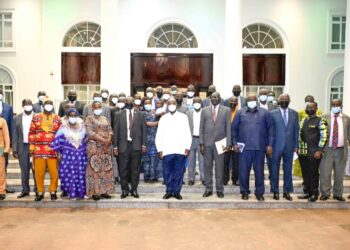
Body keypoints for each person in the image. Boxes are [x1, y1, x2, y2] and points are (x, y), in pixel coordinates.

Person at [232, 94, 273, 201]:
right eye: (249, 100)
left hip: (259, 148)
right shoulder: (240, 113)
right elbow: (234, 129)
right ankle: (244, 192)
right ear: (246, 102)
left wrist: (269, 144)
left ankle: (259, 193)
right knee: (244, 172)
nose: (251, 101)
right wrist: (234, 143)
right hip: (244, 149)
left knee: (259, 172)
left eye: (253, 100)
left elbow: (271, 130)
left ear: (257, 101)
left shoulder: (265, 113)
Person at [156, 97, 191, 200]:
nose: (172, 104)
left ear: (176, 105)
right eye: (170, 103)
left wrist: (187, 147)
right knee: (167, 172)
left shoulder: (183, 117)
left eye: (173, 103)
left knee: (178, 172)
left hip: (180, 149)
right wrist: (159, 149)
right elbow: (159, 134)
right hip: (167, 150)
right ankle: (169, 191)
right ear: (167, 105)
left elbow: (187, 133)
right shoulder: (163, 118)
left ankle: (176, 192)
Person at [113, 97, 147, 199]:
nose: (129, 103)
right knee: (123, 169)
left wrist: (144, 144)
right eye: (127, 102)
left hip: (136, 146)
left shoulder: (140, 114)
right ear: (124, 103)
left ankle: (134, 189)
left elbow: (144, 130)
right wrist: (115, 147)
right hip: (123, 145)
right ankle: (124, 190)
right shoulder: (118, 114)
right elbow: (116, 131)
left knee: (135, 169)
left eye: (131, 101)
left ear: (134, 103)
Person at [29, 98, 61, 201]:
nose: (48, 106)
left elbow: (61, 135)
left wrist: (60, 150)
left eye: (50, 104)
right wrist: (32, 147)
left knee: (54, 173)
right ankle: (40, 192)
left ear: (53, 106)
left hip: (53, 150)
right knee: (39, 173)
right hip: (39, 150)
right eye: (47, 104)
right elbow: (31, 132)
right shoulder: (36, 117)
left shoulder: (57, 118)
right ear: (43, 106)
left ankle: (53, 191)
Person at [51, 108, 87, 199]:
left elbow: (86, 139)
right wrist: (59, 154)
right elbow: (57, 142)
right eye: (71, 116)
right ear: (67, 117)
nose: (73, 117)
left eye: (75, 116)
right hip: (68, 155)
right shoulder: (63, 128)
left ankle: (82, 192)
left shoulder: (82, 127)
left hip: (81, 155)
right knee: (68, 174)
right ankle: (71, 192)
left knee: (81, 173)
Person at [200, 92, 231, 198]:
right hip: (207, 143)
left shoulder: (226, 110)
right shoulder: (204, 111)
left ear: (219, 98)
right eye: (212, 97)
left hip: (220, 144)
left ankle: (219, 189)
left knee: (219, 168)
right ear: (210, 98)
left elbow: (228, 128)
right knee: (207, 167)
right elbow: (201, 128)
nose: (214, 98)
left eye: (216, 97)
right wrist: (201, 143)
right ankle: (208, 189)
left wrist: (228, 144)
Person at [319, 99, 350, 202]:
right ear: (331, 105)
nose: (335, 106)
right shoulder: (324, 117)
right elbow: (320, 133)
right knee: (325, 172)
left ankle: (338, 193)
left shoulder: (346, 118)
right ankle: (325, 193)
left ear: (341, 106)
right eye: (333, 104)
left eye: (337, 104)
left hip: (341, 150)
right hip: (327, 149)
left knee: (339, 174)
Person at [270, 94, 299, 201]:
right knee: (274, 170)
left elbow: (296, 130)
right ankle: (275, 191)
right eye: (282, 100)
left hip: (289, 147)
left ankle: (287, 192)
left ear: (289, 101)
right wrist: (269, 145)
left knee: (288, 170)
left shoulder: (294, 114)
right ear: (278, 101)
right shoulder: (272, 114)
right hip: (276, 146)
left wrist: (296, 145)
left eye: (286, 100)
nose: (284, 101)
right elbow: (270, 131)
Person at [298, 102, 327, 202]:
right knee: (305, 173)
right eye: (308, 107)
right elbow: (299, 135)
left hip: (314, 152)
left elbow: (324, 137)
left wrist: (319, 150)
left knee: (313, 173)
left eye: (311, 107)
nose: (309, 109)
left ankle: (314, 193)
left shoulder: (321, 120)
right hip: (303, 152)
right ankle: (307, 192)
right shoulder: (303, 120)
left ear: (316, 108)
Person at [85, 101, 114, 201]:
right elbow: (90, 133)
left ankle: (105, 191)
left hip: (105, 148)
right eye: (95, 107)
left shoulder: (105, 118)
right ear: (92, 109)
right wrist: (104, 140)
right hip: (94, 147)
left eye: (99, 107)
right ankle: (95, 192)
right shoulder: (89, 119)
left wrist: (109, 140)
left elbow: (110, 130)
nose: (97, 109)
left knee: (106, 168)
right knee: (95, 169)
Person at [12, 99, 36, 198]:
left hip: (35, 148)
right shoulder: (17, 118)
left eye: (30, 104)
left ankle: (38, 190)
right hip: (22, 147)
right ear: (22, 106)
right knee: (24, 170)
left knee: (36, 170)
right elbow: (14, 134)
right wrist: (14, 149)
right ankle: (25, 190)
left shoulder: (37, 117)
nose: (28, 106)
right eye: (26, 104)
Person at [186, 97, 204, 185]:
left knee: (202, 160)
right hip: (191, 139)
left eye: (198, 102)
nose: (197, 104)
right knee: (191, 160)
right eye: (195, 102)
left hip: (201, 139)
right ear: (192, 104)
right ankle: (191, 178)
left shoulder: (205, 112)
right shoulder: (188, 113)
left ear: (201, 103)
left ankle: (203, 178)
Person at [0, 89, 14, 193]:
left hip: (4, 142)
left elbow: (11, 125)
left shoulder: (8, 107)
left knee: (4, 166)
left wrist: (9, 144)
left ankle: (4, 187)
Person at [142, 99, 160, 183]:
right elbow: (147, 123)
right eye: (146, 103)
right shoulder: (142, 113)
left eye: (149, 103)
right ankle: (147, 176)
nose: (148, 105)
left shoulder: (153, 113)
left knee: (154, 160)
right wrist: (158, 122)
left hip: (155, 140)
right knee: (146, 161)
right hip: (146, 140)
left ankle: (153, 176)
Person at [223, 96, 239, 186]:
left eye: (234, 102)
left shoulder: (240, 113)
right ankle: (225, 179)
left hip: (236, 141)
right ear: (229, 103)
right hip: (226, 141)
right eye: (231, 101)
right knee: (225, 162)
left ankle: (235, 179)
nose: (233, 103)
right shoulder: (225, 112)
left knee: (236, 162)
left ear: (237, 103)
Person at [0, 114, 10, 200]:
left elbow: (6, 135)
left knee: (1, 171)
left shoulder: (2, 121)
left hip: (0, 149)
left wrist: (7, 149)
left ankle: (2, 191)